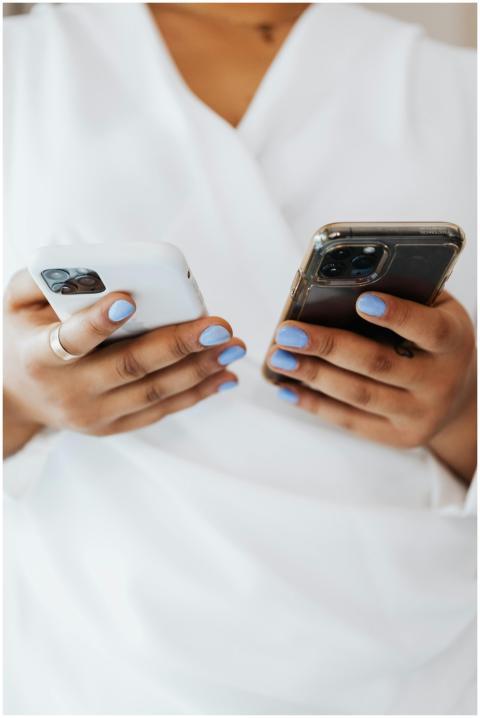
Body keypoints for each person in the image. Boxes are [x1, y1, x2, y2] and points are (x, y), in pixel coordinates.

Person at [4, 3, 476, 714]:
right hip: (98, 661)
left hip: (412, 664)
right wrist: (14, 401)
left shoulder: (457, 86)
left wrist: (461, 416)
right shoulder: (21, 66)